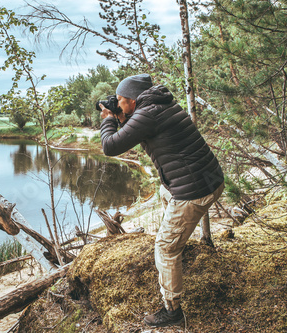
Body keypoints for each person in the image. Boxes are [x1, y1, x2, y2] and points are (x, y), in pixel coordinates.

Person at [99, 74, 224, 328]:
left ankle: (172, 311)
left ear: (133, 101)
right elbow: (138, 129)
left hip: (194, 190)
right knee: (164, 192)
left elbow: (110, 147)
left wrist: (109, 121)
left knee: (165, 248)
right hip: (207, 180)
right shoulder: (160, 105)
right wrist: (121, 116)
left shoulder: (148, 115)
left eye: (121, 101)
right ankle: (178, 249)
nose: (119, 106)